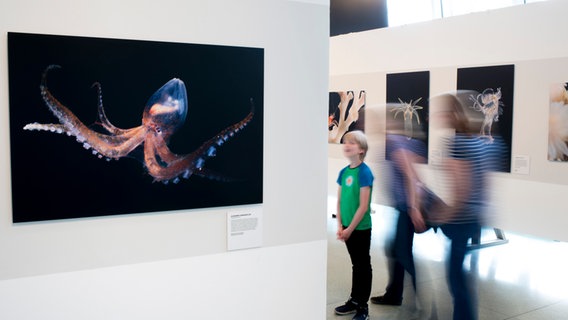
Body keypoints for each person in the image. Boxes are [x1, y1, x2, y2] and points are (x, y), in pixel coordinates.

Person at [431, 93, 492, 320]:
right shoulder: (478, 141)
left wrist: (442, 214)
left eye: (439, 112)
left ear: (450, 114)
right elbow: (484, 182)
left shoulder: (456, 143)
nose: (435, 116)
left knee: (455, 278)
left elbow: (461, 190)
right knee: (459, 277)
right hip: (475, 216)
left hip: (462, 218)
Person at [371, 115, 427, 307]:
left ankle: (416, 296)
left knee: (400, 251)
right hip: (404, 206)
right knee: (398, 249)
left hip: (406, 208)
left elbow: (410, 176)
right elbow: (416, 171)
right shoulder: (408, 142)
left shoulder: (394, 142)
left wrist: (413, 207)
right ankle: (396, 294)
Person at [334, 130, 374, 320]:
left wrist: (350, 229)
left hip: (361, 228)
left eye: (352, 142)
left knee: (362, 265)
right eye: (345, 142)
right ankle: (354, 300)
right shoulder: (344, 172)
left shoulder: (365, 172)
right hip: (348, 227)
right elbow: (340, 201)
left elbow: (363, 206)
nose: (347, 145)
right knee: (355, 265)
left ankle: (362, 306)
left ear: (361, 150)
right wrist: (340, 225)